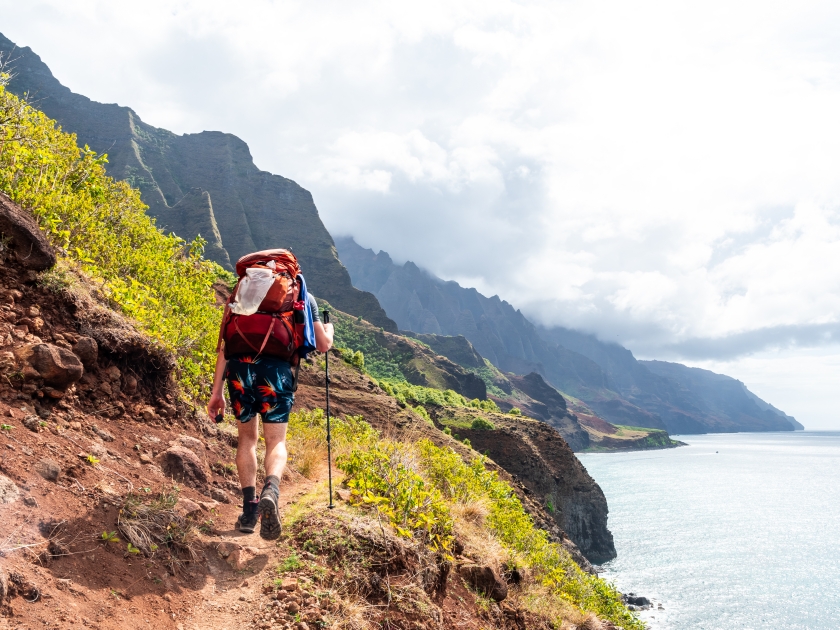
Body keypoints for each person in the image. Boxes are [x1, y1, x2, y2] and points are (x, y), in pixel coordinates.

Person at [207, 290, 333, 540]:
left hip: (239, 370)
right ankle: (271, 492)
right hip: (275, 371)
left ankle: (249, 511)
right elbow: (322, 344)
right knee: (275, 441)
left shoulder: (241, 288)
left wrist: (216, 393)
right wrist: (329, 329)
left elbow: (225, 346)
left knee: (247, 440)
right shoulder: (301, 293)